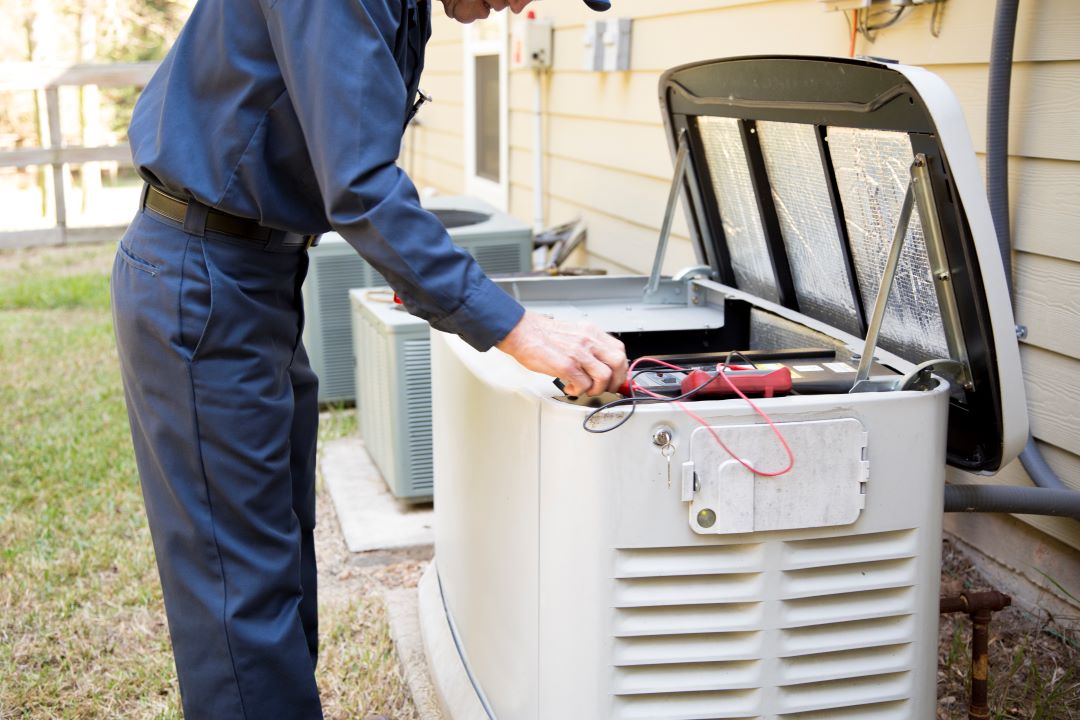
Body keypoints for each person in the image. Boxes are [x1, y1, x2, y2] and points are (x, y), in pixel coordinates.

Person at [110, 0, 625, 717]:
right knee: (240, 596)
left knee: (278, 559)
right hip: (205, 278)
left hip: (254, 274)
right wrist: (517, 329)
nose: (519, 4)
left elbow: (342, 163)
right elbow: (359, 188)